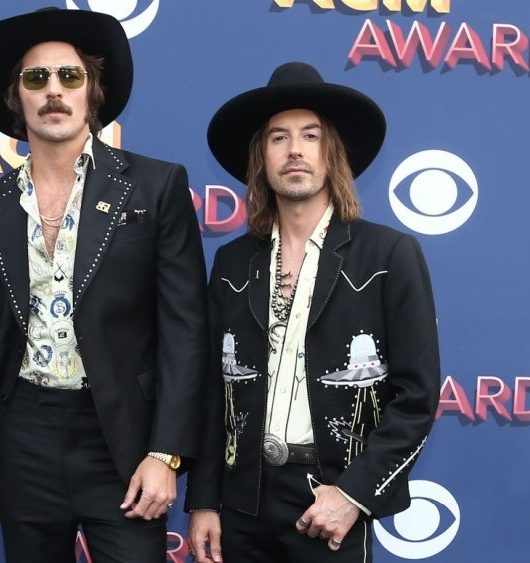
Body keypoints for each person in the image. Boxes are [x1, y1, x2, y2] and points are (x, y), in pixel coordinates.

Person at [0, 8, 208, 563]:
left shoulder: (155, 185)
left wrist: (165, 452)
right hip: (23, 436)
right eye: (35, 78)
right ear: (16, 98)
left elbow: (185, 331)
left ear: (93, 92)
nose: (54, 91)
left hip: (122, 437)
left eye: (70, 76)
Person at [185, 61, 441, 562]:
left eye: (311, 135)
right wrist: (204, 500)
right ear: (261, 157)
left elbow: (416, 398)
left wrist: (352, 495)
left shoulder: (388, 255)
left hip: (330, 498)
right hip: (242, 499)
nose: (295, 150)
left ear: (332, 153)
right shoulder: (233, 262)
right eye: (279, 137)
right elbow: (213, 390)